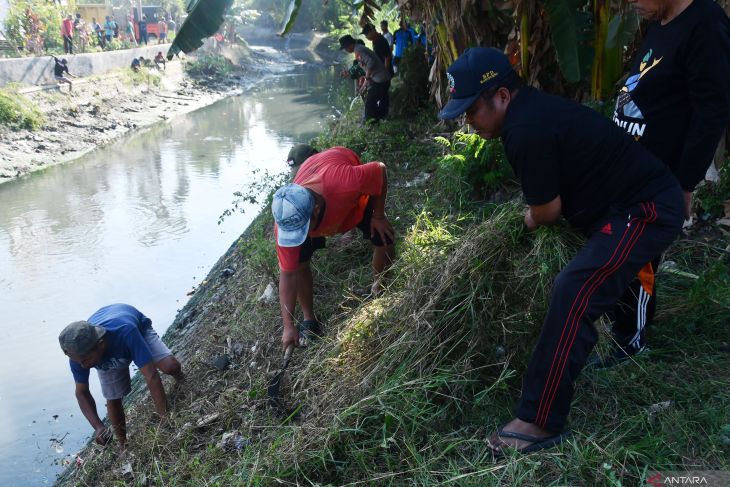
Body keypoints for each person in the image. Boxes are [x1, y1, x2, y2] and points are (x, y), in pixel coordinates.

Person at [439, 48, 684, 455]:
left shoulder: (524, 130)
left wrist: (527, 220)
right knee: (604, 271)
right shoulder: (528, 111)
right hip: (623, 204)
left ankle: (538, 420)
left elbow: (547, 211)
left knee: (574, 290)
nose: (468, 121)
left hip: (647, 209)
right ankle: (627, 335)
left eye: (471, 110)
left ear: (501, 95)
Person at [600, 0, 730, 368]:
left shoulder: (705, 23)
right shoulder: (662, 19)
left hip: (657, 175)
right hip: (627, 165)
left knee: (638, 254)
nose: (631, 4)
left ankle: (630, 341)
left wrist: (684, 183)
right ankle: (614, 324)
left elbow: (712, 110)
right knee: (615, 242)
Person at [272, 147, 395, 351]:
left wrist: (379, 215)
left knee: (384, 238)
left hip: (346, 191)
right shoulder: (287, 220)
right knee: (299, 262)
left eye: (302, 229)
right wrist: (288, 326)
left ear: (316, 210)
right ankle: (309, 318)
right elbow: (288, 274)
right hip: (318, 190)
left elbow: (379, 169)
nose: (295, 237)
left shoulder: (345, 183)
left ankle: (381, 287)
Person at [58, 304, 183, 448]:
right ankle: (123, 444)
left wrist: (164, 418)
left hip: (137, 330)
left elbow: (151, 376)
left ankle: (180, 377)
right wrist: (98, 426)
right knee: (113, 396)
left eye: (85, 360)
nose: (82, 366)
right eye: (77, 361)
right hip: (103, 355)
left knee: (171, 366)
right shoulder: (79, 357)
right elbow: (81, 392)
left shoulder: (126, 332)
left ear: (101, 344)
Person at [339, 34, 391, 122]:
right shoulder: (359, 49)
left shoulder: (358, 50)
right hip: (383, 78)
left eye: (345, 48)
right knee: (382, 99)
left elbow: (371, 63)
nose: (345, 50)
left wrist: (366, 78)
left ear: (350, 45)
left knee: (370, 103)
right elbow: (363, 66)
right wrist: (364, 84)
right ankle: (382, 119)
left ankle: (372, 124)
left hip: (380, 80)